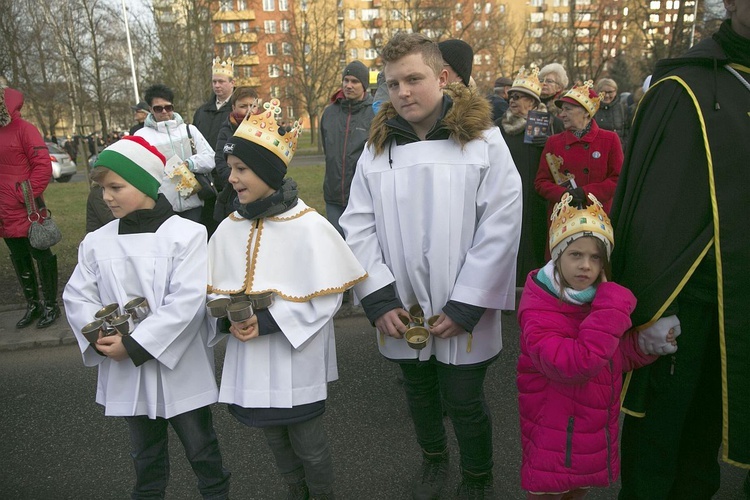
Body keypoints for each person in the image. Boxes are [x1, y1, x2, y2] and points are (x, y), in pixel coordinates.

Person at [340, 32, 522, 498]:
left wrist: (467, 304)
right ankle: (434, 461)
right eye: (393, 83)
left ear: (442, 77)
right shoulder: (378, 149)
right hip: (401, 309)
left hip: (460, 306)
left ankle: (479, 476)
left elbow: (500, 224)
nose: (402, 92)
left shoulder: (482, 142)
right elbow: (358, 225)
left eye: (414, 79)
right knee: (418, 393)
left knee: (463, 399)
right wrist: (378, 299)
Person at [611, 1, 750, 497]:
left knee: (705, 449)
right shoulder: (685, 86)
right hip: (687, 302)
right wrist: (648, 305)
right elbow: (653, 207)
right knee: (661, 441)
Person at [206, 99, 367, 499]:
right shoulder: (228, 228)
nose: (233, 180)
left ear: (266, 173)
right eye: (231, 170)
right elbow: (211, 290)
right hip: (252, 360)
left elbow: (328, 298)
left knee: (309, 445)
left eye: (241, 170)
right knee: (274, 440)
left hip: (296, 359)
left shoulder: (309, 227)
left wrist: (271, 322)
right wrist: (227, 318)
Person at [62, 136, 231, 499]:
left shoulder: (186, 235)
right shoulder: (97, 242)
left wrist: (135, 344)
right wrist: (101, 334)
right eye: (103, 188)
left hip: (178, 367)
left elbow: (186, 301)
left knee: (201, 449)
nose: (106, 197)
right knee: (145, 455)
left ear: (143, 183)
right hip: (127, 369)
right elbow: (77, 294)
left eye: (115, 187)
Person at [517, 192, 661, 500]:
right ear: (557, 255)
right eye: (575, 255)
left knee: (577, 491)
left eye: (596, 257)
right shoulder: (539, 308)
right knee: (549, 494)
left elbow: (608, 356)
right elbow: (575, 363)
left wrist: (644, 345)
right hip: (555, 436)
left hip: (586, 434)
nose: (586, 266)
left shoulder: (593, 302)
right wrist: (611, 303)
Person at [0, 87, 61, 329]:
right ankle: (33, 305)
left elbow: (42, 165)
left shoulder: (25, 129)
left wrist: (22, 194)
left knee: (41, 256)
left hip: (27, 209)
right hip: (4, 212)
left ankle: (50, 305)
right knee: (19, 259)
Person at [496, 67, 562, 287]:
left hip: (535, 197)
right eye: (511, 96)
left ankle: (534, 286)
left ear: (533, 102)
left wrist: (550, 144)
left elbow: (560, 164)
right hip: (505, 194)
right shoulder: (498, 126)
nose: (512, 100)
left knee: (534, 240)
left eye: (519, 96)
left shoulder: (550, 124)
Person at [534, 81, 622, 240]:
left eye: (568, 109)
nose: (562, 114)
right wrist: (564, 195)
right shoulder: (553, 142)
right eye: (562, 110)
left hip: (597, 220)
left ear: (586, 113)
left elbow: (618, 180)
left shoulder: (609, 140)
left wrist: (586, 193)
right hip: (563, 221)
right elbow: (541, 182)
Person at [134, 83, 215, 224]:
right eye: (158, 108)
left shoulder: (189, 130)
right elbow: (137, 171)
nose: (164, 111)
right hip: (162, 207)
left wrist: (191, 164)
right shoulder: (142, 136)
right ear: (150, 110)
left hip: (193, 204)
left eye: (168, 107)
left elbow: (210, 158)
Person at [320, 60, 375, 237]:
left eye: (354, 81)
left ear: (364, 85)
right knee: (337, 246)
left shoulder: (374, 114)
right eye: (346, 80)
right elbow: (327, 150)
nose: (348, 85)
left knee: (360, 247)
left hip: (362, 197)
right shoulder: (329, 113)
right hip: (333, 195)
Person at [193, 57, 235, 236]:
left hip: (229, 176)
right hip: (206, 180)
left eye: (221, 81)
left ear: (232, 83)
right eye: (214, 81)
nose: (217, 85)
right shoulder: (202, 112)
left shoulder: (238, 110)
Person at [212, 86, 260, 222]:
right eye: (243, 106)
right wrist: (238, 179)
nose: (249, 110)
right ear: (233, 107)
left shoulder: (265, 129)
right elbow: (220, 161)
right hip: (235, 190)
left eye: (253, 105)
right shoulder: (226, 130)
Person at [593, 78, 628, 150]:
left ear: (615, 92)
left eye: (610, 92)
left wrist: (623, 146)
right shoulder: (592, 109)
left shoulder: (623, 109)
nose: (607, 96)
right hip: (597, 150)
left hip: (618, 150)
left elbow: (628, 131)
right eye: (603, 92)